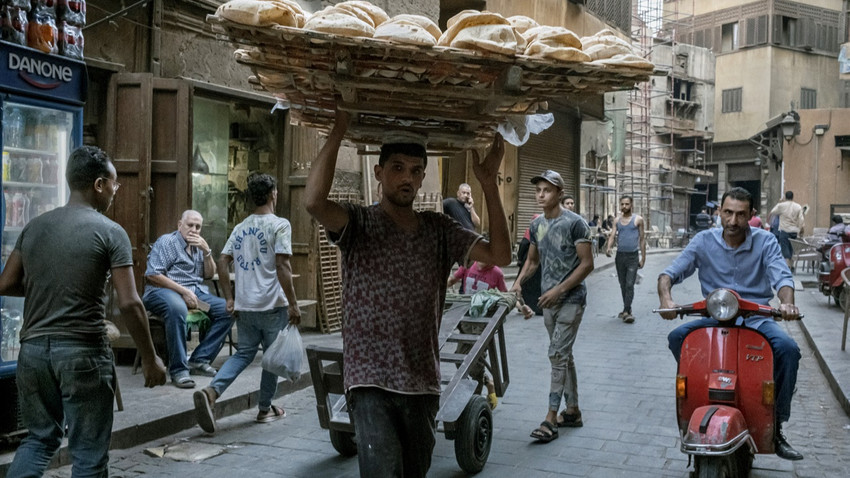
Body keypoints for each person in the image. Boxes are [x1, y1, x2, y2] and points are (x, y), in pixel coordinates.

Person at [304, 111, 511, 477]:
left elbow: (500, 256)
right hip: (370, 380)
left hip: (420, 381)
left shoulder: (439, 229)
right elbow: (314, 203)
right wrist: (339, 128)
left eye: (416, 171)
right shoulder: (359, 224)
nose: (408, 179)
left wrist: (489, 184)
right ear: (378, 173)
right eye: (397, 168)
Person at [0, 146, 167, 477]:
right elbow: (130, 302)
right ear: (100, 184)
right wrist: (150, 358)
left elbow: (5, 284)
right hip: (83, 352)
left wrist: (46, 289)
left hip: (32, 352)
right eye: (115, 184)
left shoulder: (34, 226)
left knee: (38, 440)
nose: (116, 192)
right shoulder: (110, 231)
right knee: (89, 454)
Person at [657, 187, 803, 461]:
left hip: (756, 318)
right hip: (713, 318)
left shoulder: (766, 241)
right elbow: (669, 274)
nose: (733, 221)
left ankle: (778, 424)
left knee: (787, 349)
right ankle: (697, 397)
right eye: (727, 213)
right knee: (678, 337)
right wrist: (666, 300)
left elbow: (782, 277)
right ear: (719, 212)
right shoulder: (702, 241)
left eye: (740, 214)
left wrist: (787, 303)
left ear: (751, 215)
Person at [193, 173, 301, 433]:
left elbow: (222, 260)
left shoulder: (240, 228)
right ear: (273, 193)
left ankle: (211, 391)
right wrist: (293, 304)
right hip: (272, 305)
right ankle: (265, 409)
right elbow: (283, 265)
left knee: (244, 353)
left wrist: (230, 297)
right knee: (272, 359)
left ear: (251, 198)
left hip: (246, 306)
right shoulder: (280, 224)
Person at [510, 170, 594, 443]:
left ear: (560, 192)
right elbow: (533, 261)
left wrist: (558, 290)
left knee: (557, 354)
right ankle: (572, 412)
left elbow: (587, 264)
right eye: (538, 190)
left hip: (570, 299)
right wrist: (519, 282)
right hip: (548, 302)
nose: (541, 195)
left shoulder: (576, 224)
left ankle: (550, 418)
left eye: (547, 190)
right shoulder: (537, 226)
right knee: (563, 355)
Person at [143, 210, 234, 388]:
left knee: (227, 310)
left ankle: (199, 359)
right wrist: (183, 292)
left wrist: (207, 251)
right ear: (179, 225)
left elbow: (208, 274)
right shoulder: (167, 242)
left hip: (194, 292)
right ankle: (178, 370)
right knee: (177, 308)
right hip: (162, 290)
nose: (194, 229)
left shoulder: (198, 246)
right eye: (190, 225)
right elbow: (153, 275)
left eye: (198, 226)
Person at [605, 196, 646, 324]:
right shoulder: (617, 220)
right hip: (620, 256)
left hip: (633, 256)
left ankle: (627, 311)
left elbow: (642, 239)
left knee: (630, 284)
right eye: (622, 204)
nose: (624, 206)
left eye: (627, 204)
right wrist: (608, 247)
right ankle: (626, 309)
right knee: (623, 284)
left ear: (631, 205)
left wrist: (643, 258)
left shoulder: (638, 220)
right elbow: (612, 235)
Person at [769, 191, 805, 269]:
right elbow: (801, 219)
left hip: (784, 230)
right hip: (794, 231)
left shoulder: (781, 206)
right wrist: (800, 228)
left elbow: (773, 212)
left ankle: (788, 265)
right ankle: (791, 265)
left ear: (785, 197)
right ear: (793, 197)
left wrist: (779, 202)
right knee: (792, 248)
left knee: (785, 248)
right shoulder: (798, 206)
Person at [516, 214, 543, 317]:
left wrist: (519, 259)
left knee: (525, 287)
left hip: (528, 262)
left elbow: (523, 246)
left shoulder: (529, 231)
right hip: (538, 264)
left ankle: (524, 306)